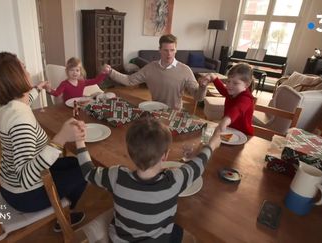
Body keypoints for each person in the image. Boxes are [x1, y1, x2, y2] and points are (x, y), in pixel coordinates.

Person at [0, 52, 87, 231]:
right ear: (15, 77)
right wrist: (61, 137)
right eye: (23, 67)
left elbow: (25, 100)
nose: (28, 71)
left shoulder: (6, 105)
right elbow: (26, 177)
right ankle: (63, 218)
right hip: (25, 195)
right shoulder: (20, 120)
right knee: (85, 170)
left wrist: (38, 88)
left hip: (9, 184)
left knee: (74, 162)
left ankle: (64, 208)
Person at [73, 116, 221, 242]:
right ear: (165, 155)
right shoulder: (174, 180)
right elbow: (198, 165)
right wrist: (212, 145)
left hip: (119, 240)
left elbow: (88, 172)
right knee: (179, 230)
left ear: (130, 153)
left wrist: (79, 142)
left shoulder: (116, 176)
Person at [108, 34, 209, 110]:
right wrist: (110, 71)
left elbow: (198, 97)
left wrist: (203, 87)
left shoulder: (185, 70)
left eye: (172, 50)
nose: (169, 54)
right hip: (154, 110)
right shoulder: (150, 68)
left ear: (176, 50)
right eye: (165, 50)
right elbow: (129, 80)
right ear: (159, 50)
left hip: (175, 112)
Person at [201, 63, 255, 135]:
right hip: (228, 129)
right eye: (228, 81)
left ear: (247, 84)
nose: (229, 85)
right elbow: (222, 89)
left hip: (243, 133)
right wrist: (212, 76)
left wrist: (225, 120)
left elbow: (237, 109)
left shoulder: (246, 98)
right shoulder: (233, 92)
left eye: (235, 83)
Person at [45, 57, 111, 102]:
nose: (75, 73)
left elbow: (95, 81)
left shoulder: (82, 82)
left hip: (79, 105)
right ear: (67, 71)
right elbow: (57, 93)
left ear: (80, 71)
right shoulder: (64, 84)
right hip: (66, 107)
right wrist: (49, 89)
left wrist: (103, 73)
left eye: (77, 70)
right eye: (72, 70)